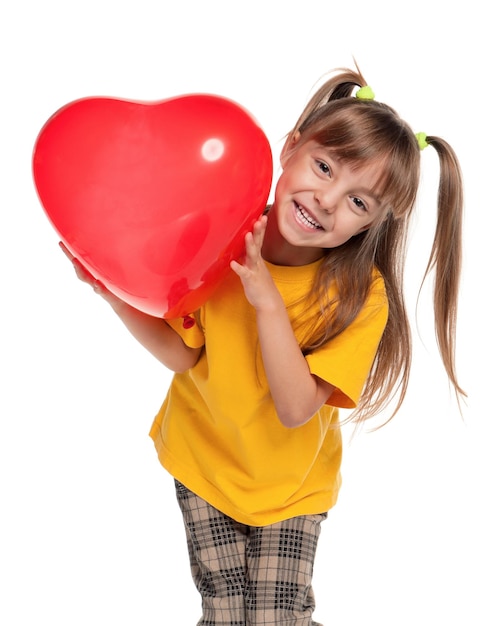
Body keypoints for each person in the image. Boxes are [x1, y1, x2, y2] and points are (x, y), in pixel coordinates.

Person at [62, 65, 465, 625]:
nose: (326, 199)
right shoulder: (223, 230)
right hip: (205, 463)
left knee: (275, 618)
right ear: (291, 147)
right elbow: (184, 355)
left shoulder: (359, 296)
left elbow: (296, 408)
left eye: (358, 202)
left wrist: (267, 302)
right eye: (323, 167)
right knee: (226, 615)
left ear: (374, 223)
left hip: (289, 491)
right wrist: (115, 297)